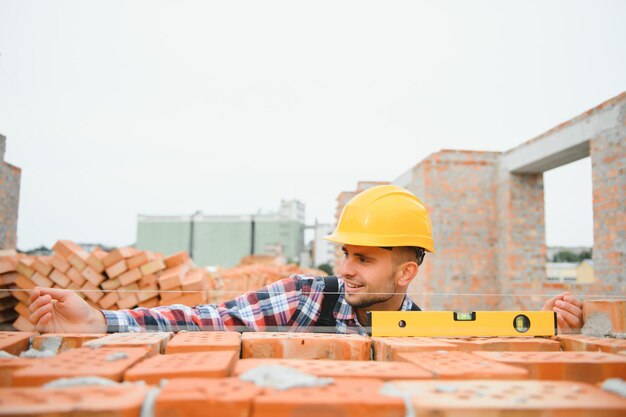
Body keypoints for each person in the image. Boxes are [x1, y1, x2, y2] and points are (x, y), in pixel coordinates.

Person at [28, 185, 584, 335]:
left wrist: (550, 325)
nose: (346, 267)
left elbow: (492, 341)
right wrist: (103, 321)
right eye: (345, 253)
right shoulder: (306, 297)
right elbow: (212, 318)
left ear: (406, 272)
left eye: (363, 258)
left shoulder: (424, 327)